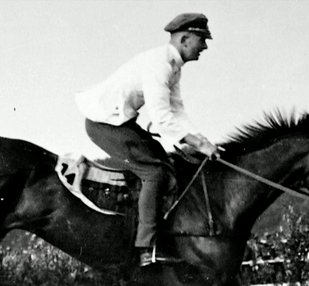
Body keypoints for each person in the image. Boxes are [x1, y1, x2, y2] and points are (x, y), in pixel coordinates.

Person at [75, 13, 220, 267]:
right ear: (184, 39)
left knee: (165, 164)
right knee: (154, 173)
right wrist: (198, 144)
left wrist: (202, 140)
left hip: (119, 122)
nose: (205, 47)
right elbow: (162, 117)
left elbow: (177, 110)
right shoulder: (160, 64)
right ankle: (146, 249)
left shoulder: (172, 66)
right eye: (202, 40)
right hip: (104, 124)